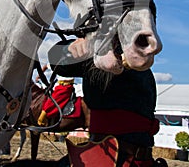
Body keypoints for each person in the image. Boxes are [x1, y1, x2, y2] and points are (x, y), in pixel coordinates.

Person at [47, 38, 165, 167]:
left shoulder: (136, 56)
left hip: (142, 160)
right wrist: (72, 48)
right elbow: (56, 60)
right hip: (106, 157)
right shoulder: (100, 54)